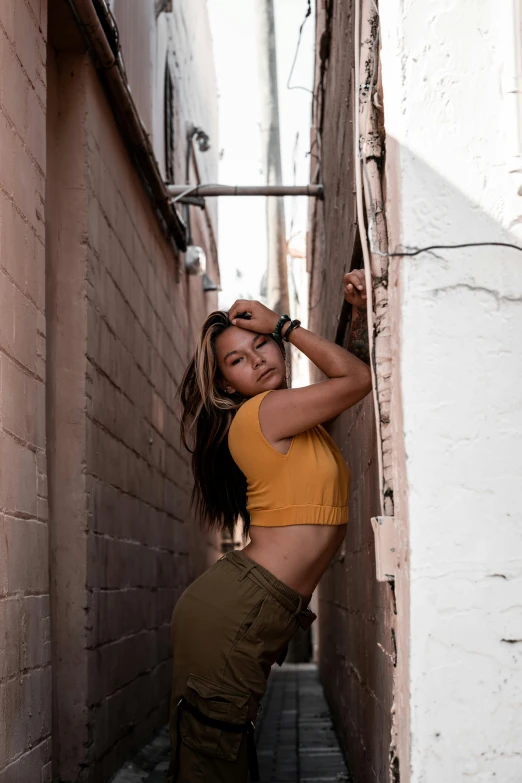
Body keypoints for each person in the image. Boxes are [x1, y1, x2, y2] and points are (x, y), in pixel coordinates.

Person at [167, 270, 371, 782]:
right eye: (238, 359)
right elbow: (358, 381)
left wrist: (361, 310)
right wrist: (283, 325)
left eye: (263, 345)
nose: (258, 359)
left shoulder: (294, 419)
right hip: (238, 611)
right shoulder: (262, 414)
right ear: (225, 383)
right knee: (213, 763)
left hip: (253, 607)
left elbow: (353, 372)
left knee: (221, 760)